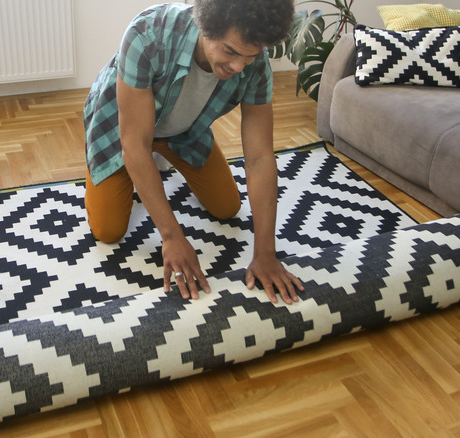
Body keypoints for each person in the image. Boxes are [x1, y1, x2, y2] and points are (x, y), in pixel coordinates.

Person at [83, 0, 304, 304]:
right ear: (206, 25)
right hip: (123, 127)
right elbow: (133, 144)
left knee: (227, 207)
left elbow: (260, 158)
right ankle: (140, 170)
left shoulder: (256, 66)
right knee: (108, 230)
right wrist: (172, 236)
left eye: (250, 56)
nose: (239, 67)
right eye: (230, 51)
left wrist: (265, 254)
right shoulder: (146, 33)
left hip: (183, 130)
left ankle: (158, 160)